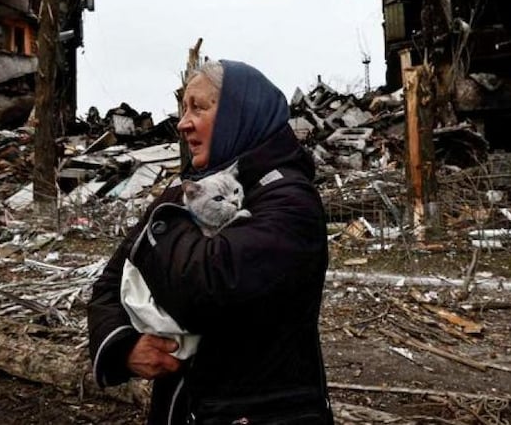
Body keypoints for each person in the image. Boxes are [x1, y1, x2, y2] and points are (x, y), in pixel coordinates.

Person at [87, 59, 333, 424]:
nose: (183, 123)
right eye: (183, 109)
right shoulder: (189, 189)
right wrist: (123, 345)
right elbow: (112, 281)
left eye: (198, 108)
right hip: (182, 408)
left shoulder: (289, 202)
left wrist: (165, 223)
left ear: (240, 114)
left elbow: (207, 288)